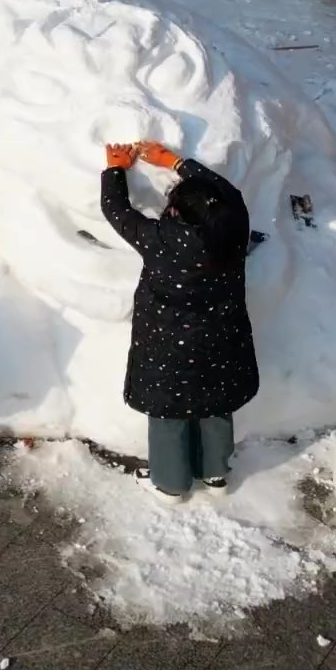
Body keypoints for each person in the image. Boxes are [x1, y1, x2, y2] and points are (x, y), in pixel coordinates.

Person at [100, 139, 259, 500]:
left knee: (168, 411)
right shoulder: (235, 229)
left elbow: (117, 211)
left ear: (176, 213)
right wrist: (177, 162)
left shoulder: (160, 239)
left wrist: (115, 169)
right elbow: (227, 192)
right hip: (223, 340)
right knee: (216, 404)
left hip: (169, 348)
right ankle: (216, 474)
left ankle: (171, 484)